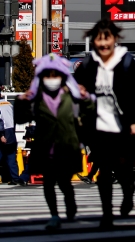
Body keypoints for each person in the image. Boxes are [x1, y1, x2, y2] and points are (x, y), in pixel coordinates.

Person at [73, 20, 135, 228]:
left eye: (106, 38)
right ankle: (107, 213)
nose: (102, 43)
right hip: (99, 127)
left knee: (123, 170)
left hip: (123, 126)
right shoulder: (89, 63)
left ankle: (128, 192)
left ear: (115, 39)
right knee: (104, 171)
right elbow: (76, 85)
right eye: (98, 39)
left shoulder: (126, 62)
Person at [16, 54, 91, 230]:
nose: (51, 79)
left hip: (66, 147)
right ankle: (54, 215)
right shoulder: (37, 98)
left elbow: (88, 115)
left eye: (55, 75)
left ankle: (70, 204)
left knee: (65, 183)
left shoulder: (71, 96)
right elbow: (20, 119)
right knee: (48, 184)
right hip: (45, 147)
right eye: (48, 75)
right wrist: (21, 101)